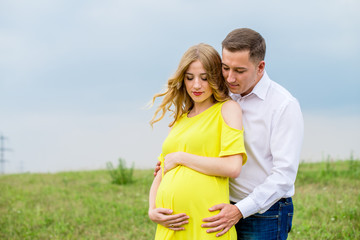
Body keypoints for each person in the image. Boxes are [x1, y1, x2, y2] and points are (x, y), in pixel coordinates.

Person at [154, 28, 304, 239]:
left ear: (260, 67)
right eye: (225, 68)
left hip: (264, 212)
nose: (230, 78)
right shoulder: (222, 95)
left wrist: (241, 210)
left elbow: (284, 176)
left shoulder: (283, 105)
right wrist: (174, 165)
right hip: (221, 205)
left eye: (239, 71)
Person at [148, 43, 247, 239]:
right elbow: (162, 171)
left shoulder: (227, 109)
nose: (196, 85)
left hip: (206, 223)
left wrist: (181, 157)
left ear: (216, 78)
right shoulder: (179, 119)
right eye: (189, 78)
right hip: (171, 226)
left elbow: (233, 167)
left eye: (205, 78)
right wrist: (152, 210)